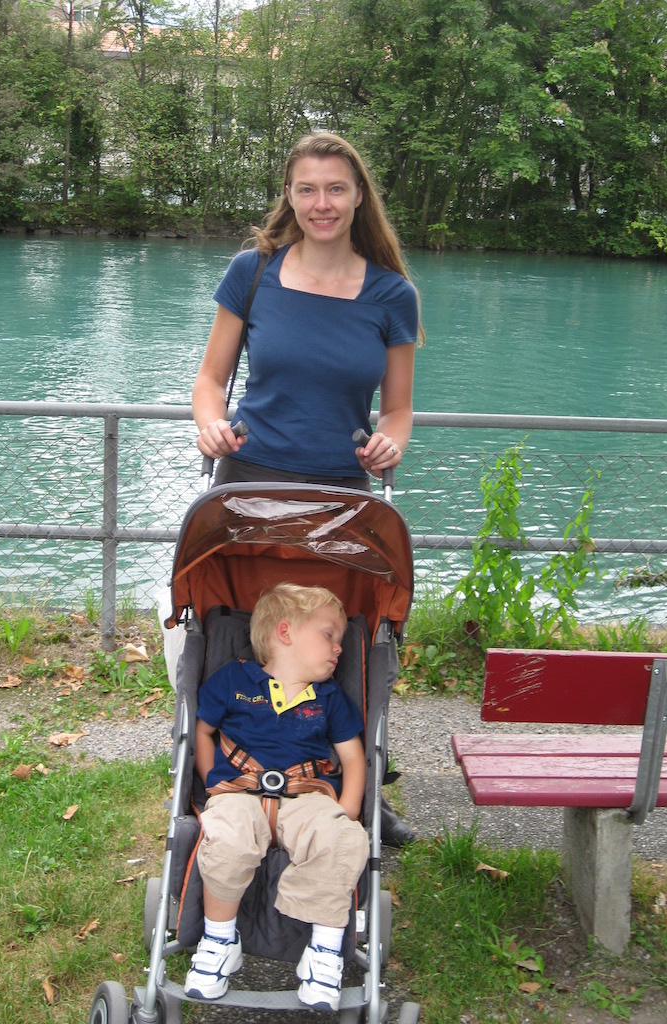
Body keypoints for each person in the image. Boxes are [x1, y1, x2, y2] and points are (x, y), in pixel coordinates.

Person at [192, 130, 420, 844]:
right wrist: (208, 424)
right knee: (245, 635)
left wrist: (393, 440)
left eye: (336, 189)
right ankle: (231, 772)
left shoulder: (392, 294)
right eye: (307, 189)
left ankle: (353, 785)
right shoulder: (252, 273)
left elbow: (399, 409)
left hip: (342, 498)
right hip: (249, 487)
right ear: (289, 196)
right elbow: (211, 381)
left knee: (334, 640)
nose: (322, 203)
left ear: (359, 199)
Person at [183, 583, 370, 1011]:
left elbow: (353, 758)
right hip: (239, 790)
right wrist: (213, 779)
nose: (338, 648)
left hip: (308, 795)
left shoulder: (328, 699)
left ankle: (323, 951)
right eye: (329, 635)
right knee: (226, 839)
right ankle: (218, 939)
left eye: (341, 639)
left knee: (342, 841)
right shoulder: (235, 680)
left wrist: (350, 809)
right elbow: (203, 729)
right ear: (285, 632)